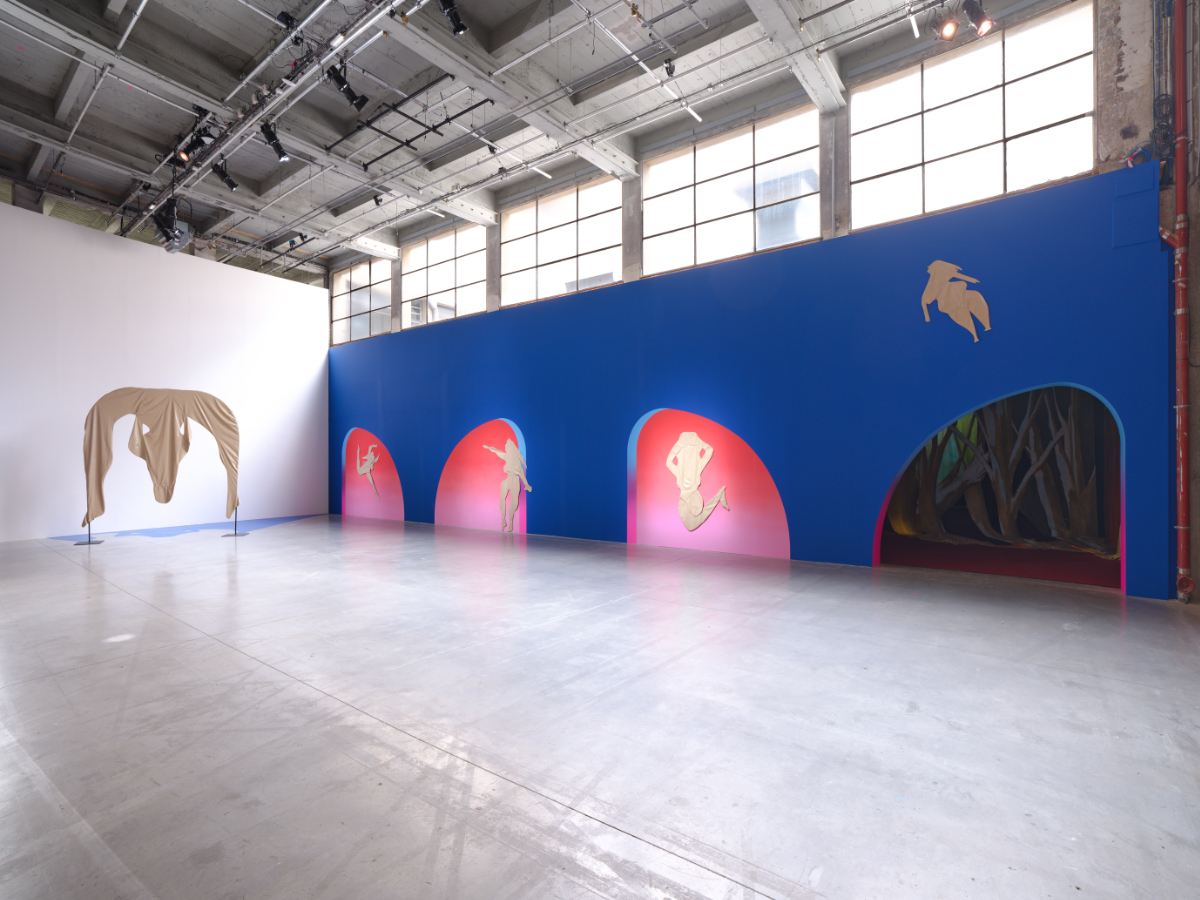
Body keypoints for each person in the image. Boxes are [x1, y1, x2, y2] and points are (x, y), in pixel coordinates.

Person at [665, 431, 728, 532]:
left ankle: (719, 495)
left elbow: (669, 462)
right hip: (690, 491)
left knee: (693, 522)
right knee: (693, 523)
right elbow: (709, 450)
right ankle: (719, 495)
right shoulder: (691, 444)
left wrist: (679, 473)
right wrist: (700, 465)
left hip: (687, 492)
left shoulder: (679, 445)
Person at [921, 260, 991, 342]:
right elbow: (924, 300)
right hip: (949, 302)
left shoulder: (942, 275)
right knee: (964, 316)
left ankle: (986, 325)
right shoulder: (933, 283)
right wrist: (926, 316)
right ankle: (975, 335)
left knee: (975, 297)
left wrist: (971, 279)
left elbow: (956, 275)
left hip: (959, 295)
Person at [483, 439, 531, 531]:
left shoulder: (517, 464)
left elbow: (522, 475)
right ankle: (503, 519)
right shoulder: (506, 457)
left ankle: (511, 522)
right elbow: (497, 451)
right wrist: (488, 447)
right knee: (502, 498)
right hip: (508, 480)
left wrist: (527, 485)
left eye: (506, 445)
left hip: (515, 482)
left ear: (509, 448)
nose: (504, 446)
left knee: (514, 502)